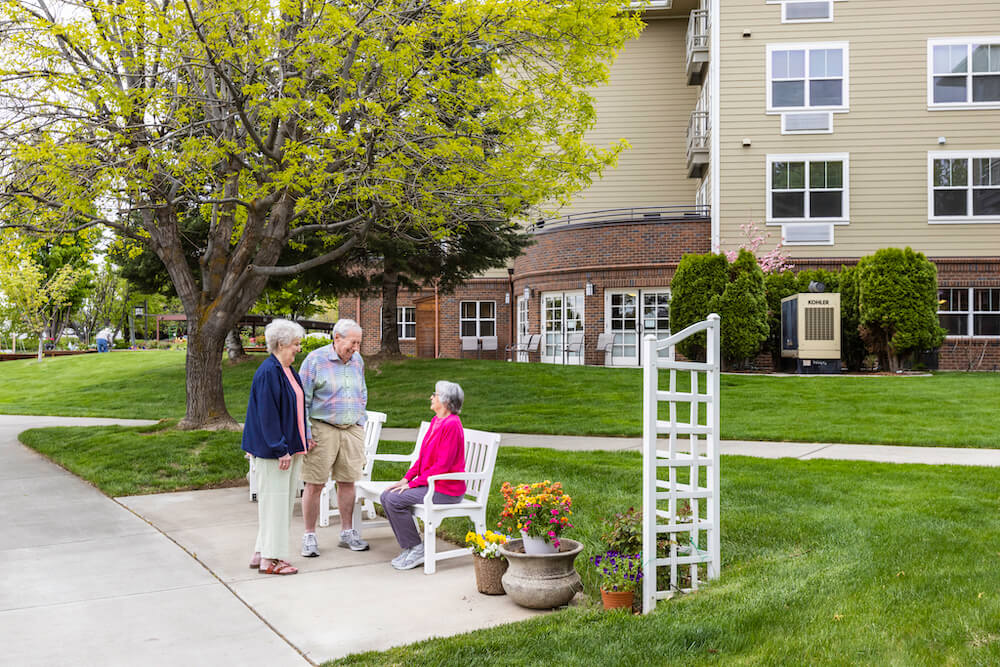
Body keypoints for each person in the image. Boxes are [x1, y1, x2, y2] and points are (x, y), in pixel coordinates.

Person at [242, 319, 309, 575]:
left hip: (290, 448)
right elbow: (267, 416)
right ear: (280, 344)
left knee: (277, 506)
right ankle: (272, 560)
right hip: (275, 453)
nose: (298, 349)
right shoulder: (269, 372)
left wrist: (304, 439)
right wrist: (281, 448)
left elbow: (295, 410)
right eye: (295, 344)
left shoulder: (287, 370)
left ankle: (261, 551)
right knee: (277, 507)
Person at [299, 318, 369, 556]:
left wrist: (360, 420)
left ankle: (347, 533)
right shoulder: (315, 360)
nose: (356, 348)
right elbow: (302, 400)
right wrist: (306, 432)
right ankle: (309, 535)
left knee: (348, 481)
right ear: (336, 338)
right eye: (352, 342)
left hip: (351, 429)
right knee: (315, 483)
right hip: (322, 429)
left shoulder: (357, 360)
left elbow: (362, 390)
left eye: (359, 343)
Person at [381, 380, 467, 571]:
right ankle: (411, 546)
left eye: (434, 394)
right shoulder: (437, 421)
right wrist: (406, 479)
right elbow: (422, 459)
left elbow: (442, 466)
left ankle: (417, 549)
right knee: (387, 495)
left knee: (394, 499)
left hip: (446, 489)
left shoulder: (452, 425)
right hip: (432, 484)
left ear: (445, 401)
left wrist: (413, 485)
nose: (431, 397)